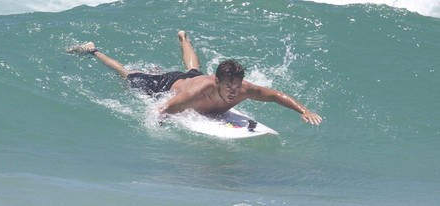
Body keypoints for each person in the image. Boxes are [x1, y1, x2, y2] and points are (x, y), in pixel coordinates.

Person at [67, 31, 322, 125]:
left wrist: (303, 109)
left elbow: (276, 96)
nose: (235, 92)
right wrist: (161, 123)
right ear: (217, 82)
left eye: (237, 86)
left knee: (192, 70)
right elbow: (162, 109)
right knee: (128, 75)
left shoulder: (243, 88)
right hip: (167, 84)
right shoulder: (196, 95)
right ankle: (93, 49)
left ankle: (183, 38)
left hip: (193, 78)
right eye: (229, 87)